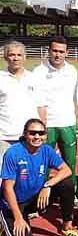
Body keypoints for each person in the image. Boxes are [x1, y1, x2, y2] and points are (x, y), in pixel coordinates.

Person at [0, 119, 78, 236]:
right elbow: (7, 188)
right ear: (25, 134)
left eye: (41, 133)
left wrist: (47, 185)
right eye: (33, 133)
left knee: (66, 183)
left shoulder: (46, 150)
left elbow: (67, 170)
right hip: (12, 205)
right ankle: (3, 231)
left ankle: (67, 227)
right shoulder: (13, 153)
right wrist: (18, 218)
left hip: (33, 199)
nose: (37, 137)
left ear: (46, 135)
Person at [33, 36, 78, 204]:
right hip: (47, 125)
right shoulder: (39, 72)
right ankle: (40, 197)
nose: (58, 54)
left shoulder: (73, 71)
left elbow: (76, 98)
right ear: (49, 51)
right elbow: (38, 100)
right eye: (55, 51)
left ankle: (70, 195)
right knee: (42, 164)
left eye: (61, 51)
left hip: (67, 123)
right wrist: (42, 125)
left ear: (67, 52)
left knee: (70, 163)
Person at [0, 41, 47, 188]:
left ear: (24, 57)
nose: (15, 58)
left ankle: (26, 207)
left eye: (19, 55)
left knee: (26, 175)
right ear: (5, 57)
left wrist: (43, 132)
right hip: (4, 136)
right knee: (3, 176)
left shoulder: (34, 78)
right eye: (11, 55)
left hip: (29, 137)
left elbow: (41, 106)